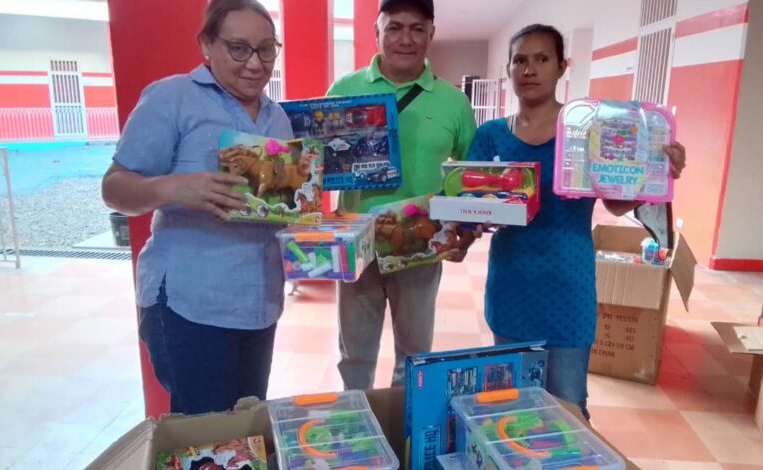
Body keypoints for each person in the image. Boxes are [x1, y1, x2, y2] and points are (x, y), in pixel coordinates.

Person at [466, 24, 686, 419]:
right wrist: (472, 218)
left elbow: (618, 205)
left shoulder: (588, 133)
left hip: (569, 286)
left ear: (562, 67)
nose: (529, 70)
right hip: (511, 286)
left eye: (541, 59)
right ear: (509, 69)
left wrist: (660, 173)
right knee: (510, 410)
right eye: (520, 60)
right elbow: (472, 205)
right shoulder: (491, 136)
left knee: (567, 408)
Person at [101, 0, 292, 414]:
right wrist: (173, 187)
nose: (255, 64)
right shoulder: (172, 98)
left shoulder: (278, 119)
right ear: (206, 44)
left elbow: (277, 208)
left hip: (260, 305)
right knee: (201, 437)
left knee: (244, 423)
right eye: (238, 48)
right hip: (192, 305)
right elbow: (114, 188)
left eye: (266, 49)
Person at [328, 0, 478, 390]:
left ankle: (402, 433)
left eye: (416, 28)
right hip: (358, 247)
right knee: (355, 354)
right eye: (394, 28)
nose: (405, 39)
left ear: (431, 34)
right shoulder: (344, 91)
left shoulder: (454, 103)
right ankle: (360, 431)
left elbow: (473, 178)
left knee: (414, 357)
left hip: (420, 248)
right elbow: (317, 165)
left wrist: (466, 227)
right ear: (375, 32)